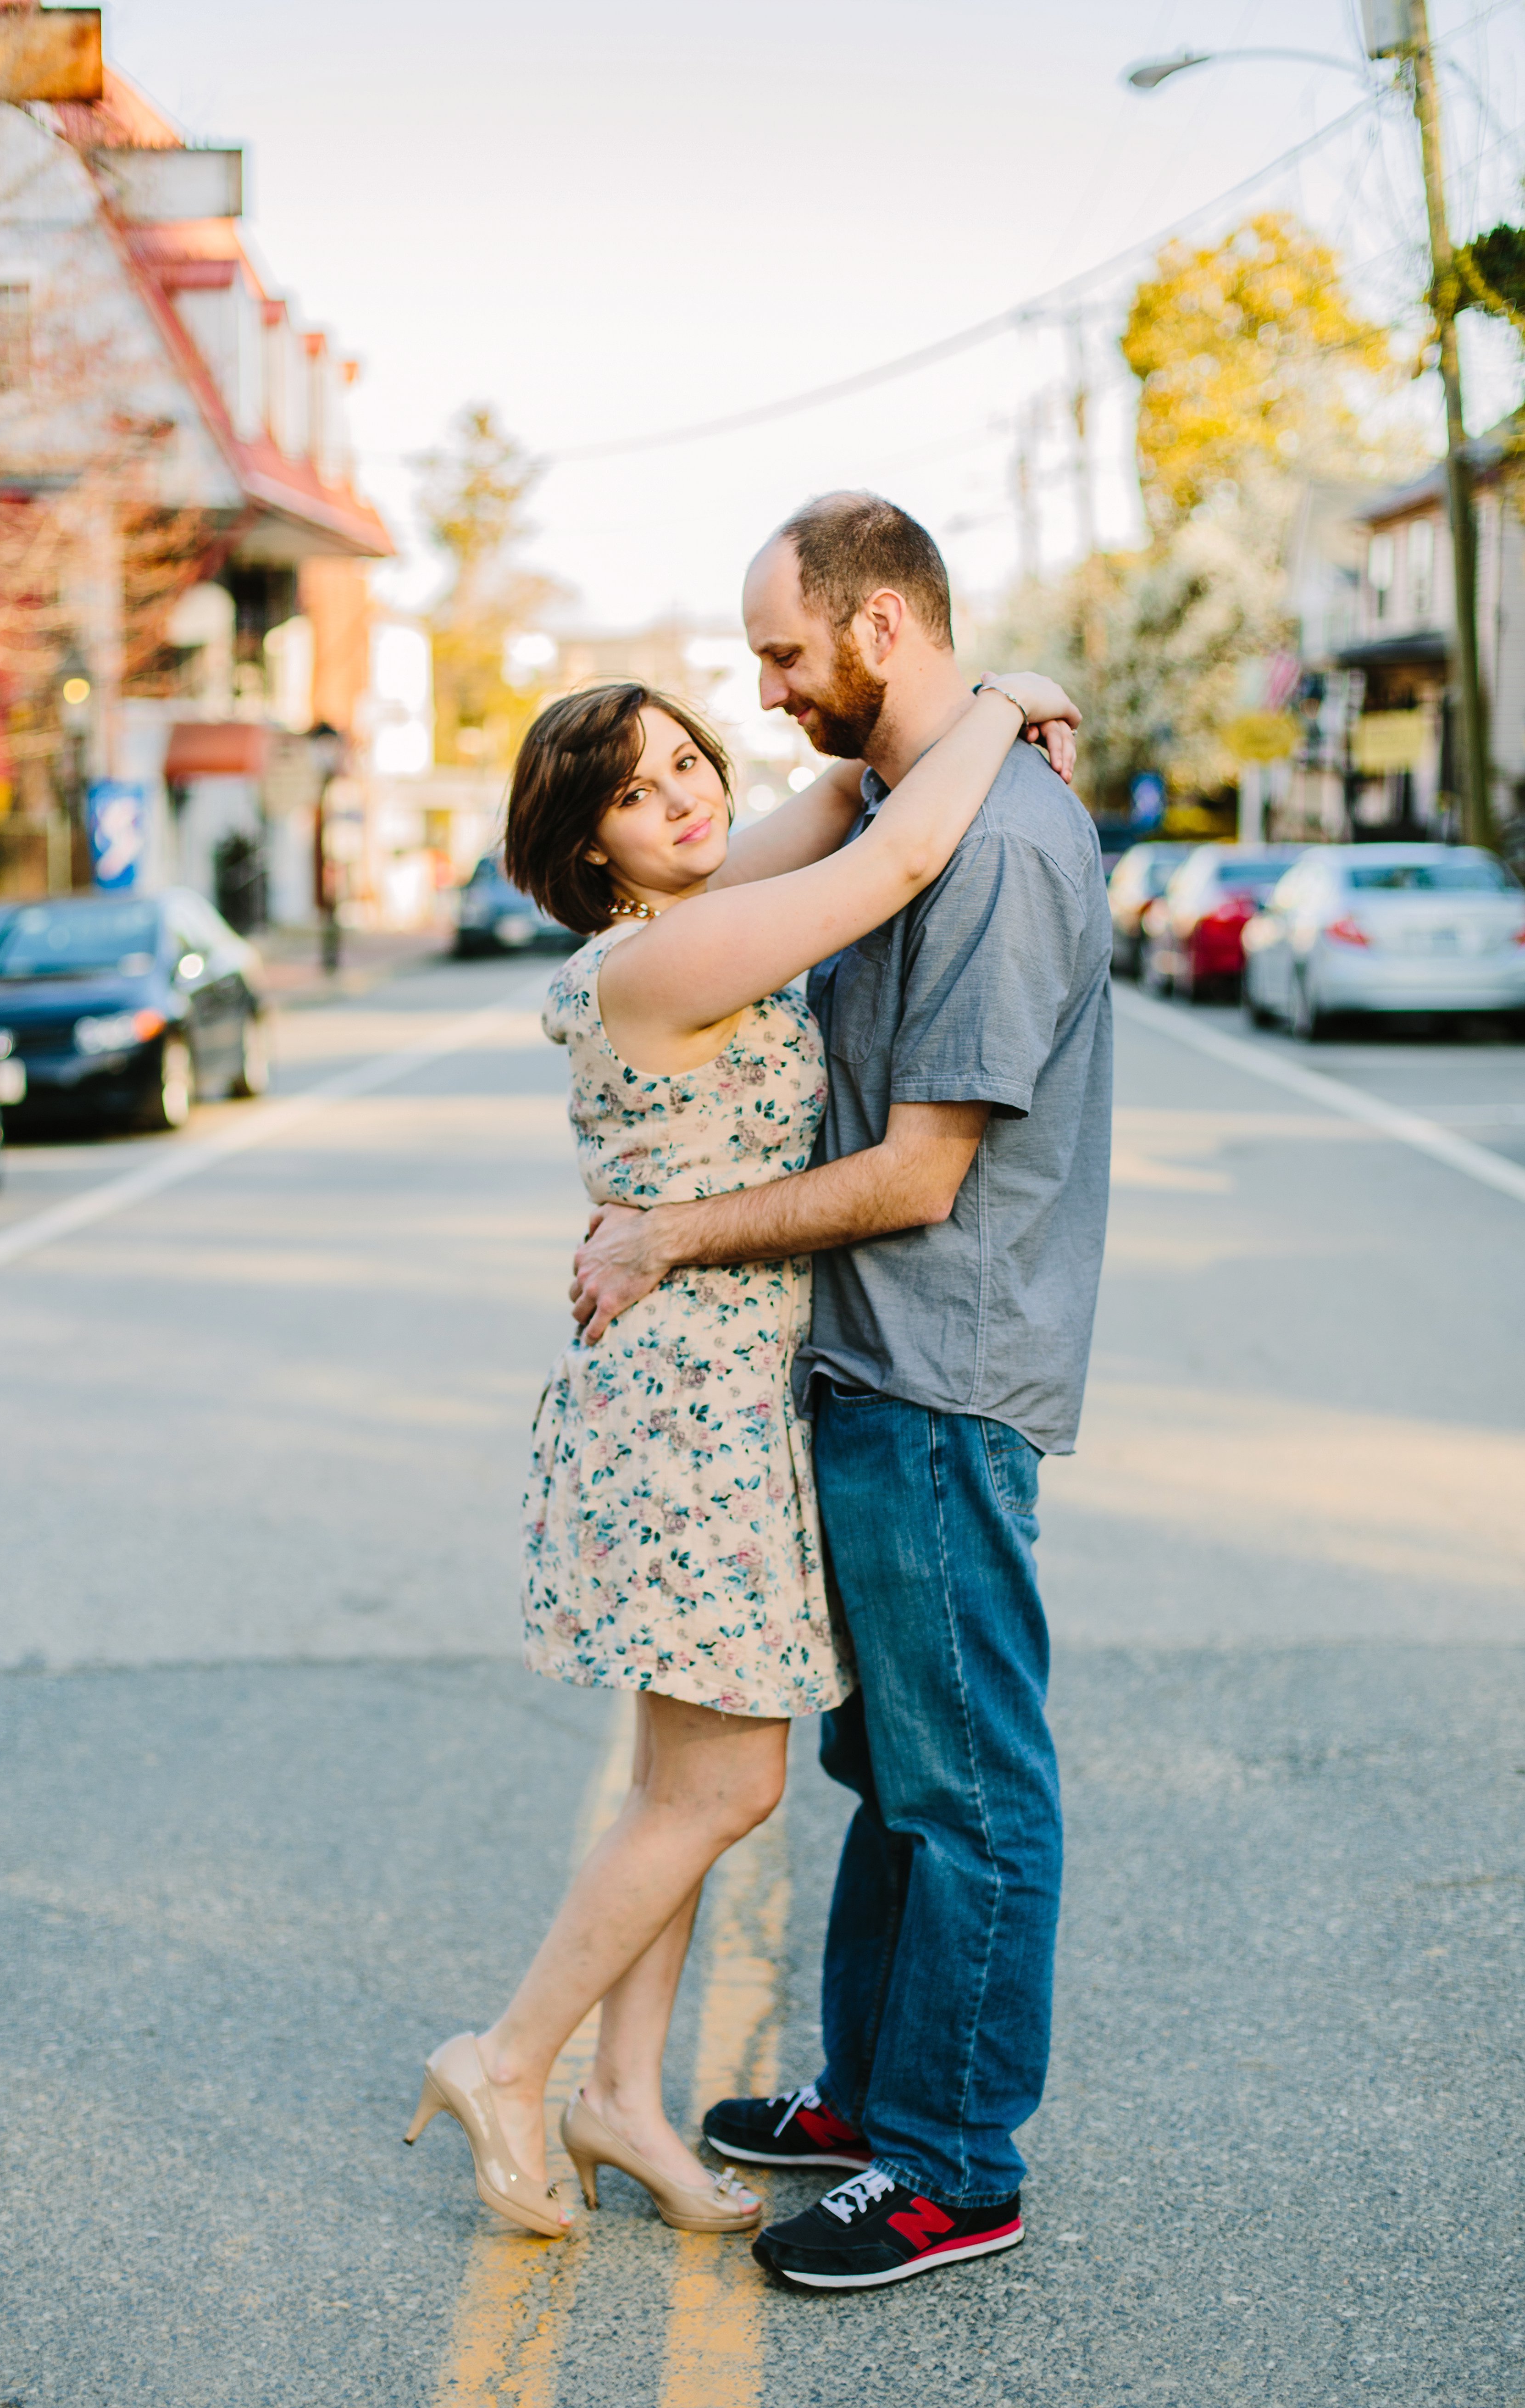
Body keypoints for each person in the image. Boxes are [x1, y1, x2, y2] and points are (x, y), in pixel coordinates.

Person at [404, 643, 1080, 2243]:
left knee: (669, 1782)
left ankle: (622, 2098)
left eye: (686, 758)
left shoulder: (684, 913)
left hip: (710, 1386)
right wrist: (1009, 696)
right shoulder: (658, 966)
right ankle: (510, 2057)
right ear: (590, 851)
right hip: (688, 1404)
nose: (685, 797)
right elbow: (898, 854)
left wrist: (921, 716)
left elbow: (846, 795)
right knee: (719, 1790)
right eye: (635, 794)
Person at [567, 492, 1114, 2291]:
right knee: (893, 1769)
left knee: (969, 1789)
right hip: (861, 1363)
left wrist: (668, 1232)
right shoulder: (906, 803)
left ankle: (955, 2162)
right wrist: (991, 699)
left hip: (939, 1377)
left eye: (784, 652)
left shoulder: (991, 844)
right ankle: (879, 2093)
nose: (768, 688)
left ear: (874, 632)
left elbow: (913, 1173)